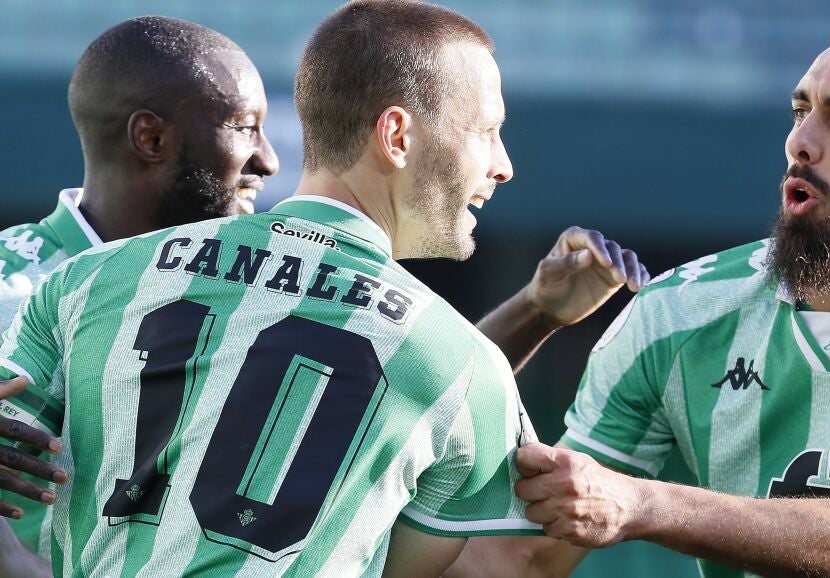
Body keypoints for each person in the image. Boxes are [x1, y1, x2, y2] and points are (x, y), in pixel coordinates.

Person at [0, 1, 647, 576]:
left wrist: (534, 312)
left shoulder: (83, 282)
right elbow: (493, 560)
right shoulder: (463, 361)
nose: (503, 165)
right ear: (397, 136)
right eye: (487, 130)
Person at [449, 20, 830, 577]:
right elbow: (521, 561)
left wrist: (641, 504)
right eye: (800, 111)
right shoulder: (675, 310)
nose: (800, 142)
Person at [0, 14, 279, 560]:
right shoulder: (15, 288)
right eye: (245, 127)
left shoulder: (253, 299)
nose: (268, 160)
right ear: (150, 137)